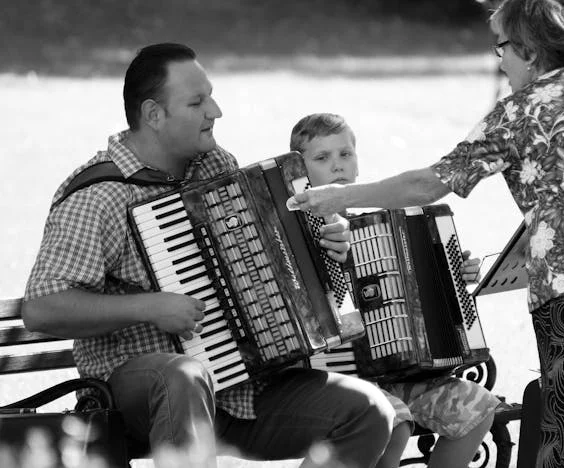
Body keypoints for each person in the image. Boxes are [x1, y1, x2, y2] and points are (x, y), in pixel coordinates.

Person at [289, 0, 564, 466]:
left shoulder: (519, 112)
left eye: (501, 46)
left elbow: (430, 183)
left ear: (529, 49)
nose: (498, 59)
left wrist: (341, 197)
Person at [21, 43, 396, 468]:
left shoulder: (217, 165)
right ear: (154, 115)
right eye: (197, 102)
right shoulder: (98, 196)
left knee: (367, 412)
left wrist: (331, 251)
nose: (215, 111)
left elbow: (274, 268)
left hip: (240, 393)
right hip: (136, 395)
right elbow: (42, 308)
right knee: (183, 375)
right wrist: (150, 307)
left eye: (211, 97)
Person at [290, 113, 500, 468]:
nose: (337, 166)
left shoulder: (381, 224)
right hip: (339, 376)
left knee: (478, 408)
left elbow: (411, 299)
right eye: (322, 158)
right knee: (393, 421)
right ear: (301, 174)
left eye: (345, 155)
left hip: (395, 373)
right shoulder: (299, 234)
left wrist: (449, 275)